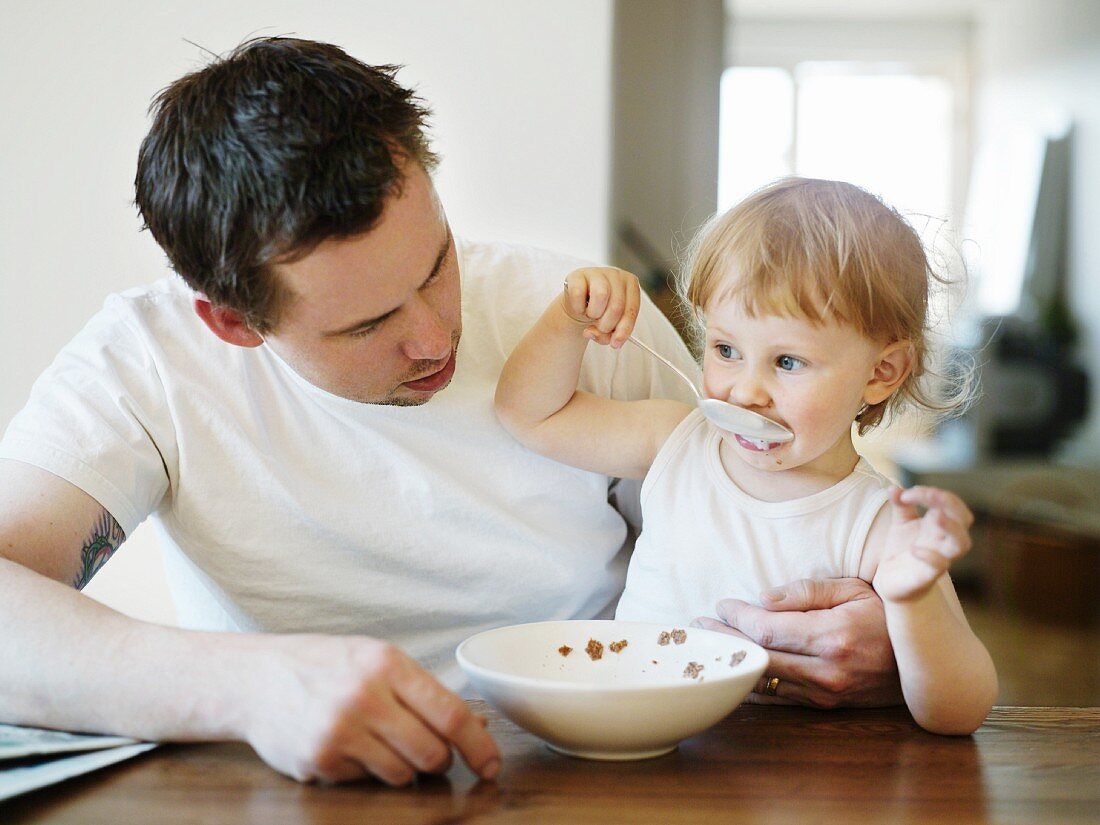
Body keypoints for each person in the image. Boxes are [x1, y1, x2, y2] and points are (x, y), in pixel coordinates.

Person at [0, 38, 900, 788]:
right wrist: (250, 686)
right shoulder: (145, 360)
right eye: (368, 322)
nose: (436, 338)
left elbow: (757, 534)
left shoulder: (582, 318)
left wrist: (870, 634)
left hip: (603, 772)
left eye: (435, 264)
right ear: (233, 322)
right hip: (296, 786)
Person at [495, 177, 998, 734]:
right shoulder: (674, 441)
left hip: (784, 774)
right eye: (726, 350)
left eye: (787, 362)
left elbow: (959, 713)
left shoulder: (879, 525)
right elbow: (531, 416)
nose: (743, 391)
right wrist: (568, 319)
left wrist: (914, 603)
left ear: (881, 373)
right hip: (635, 743)